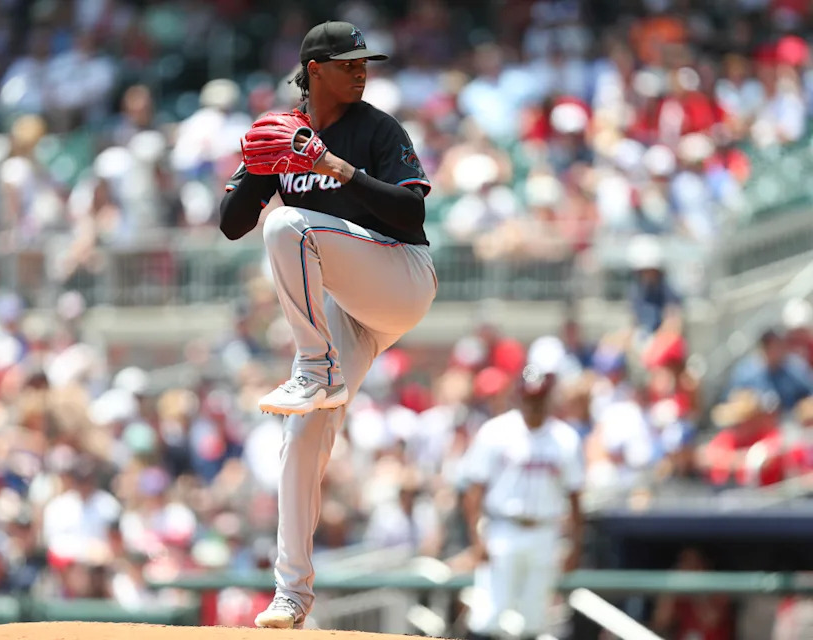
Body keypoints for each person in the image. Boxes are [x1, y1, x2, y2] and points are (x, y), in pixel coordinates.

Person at [218, 20, 437, 629]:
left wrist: (335, 167)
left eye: (366, 62)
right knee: (301, 436)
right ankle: (292, 595)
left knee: (290, 225)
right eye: (350, 63)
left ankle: (316, 369)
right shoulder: (286, 131)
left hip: (398, 278)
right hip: (343, 309)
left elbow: (412, 211)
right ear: (316, 70)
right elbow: (232, 223)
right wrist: (254, 166)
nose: (363, 70)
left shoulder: (376, 128)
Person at [460, 355, 585, 640]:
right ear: (519, 396)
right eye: (529, 397)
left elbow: (576, 497)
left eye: (539, 397)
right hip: (503, 527)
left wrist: (575, 545)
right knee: (487, 615)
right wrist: (476, 538)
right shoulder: (497, 431)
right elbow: (474, 489)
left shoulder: (565, 438)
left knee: (534, 619)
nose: (534, 403)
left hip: (545, 530)